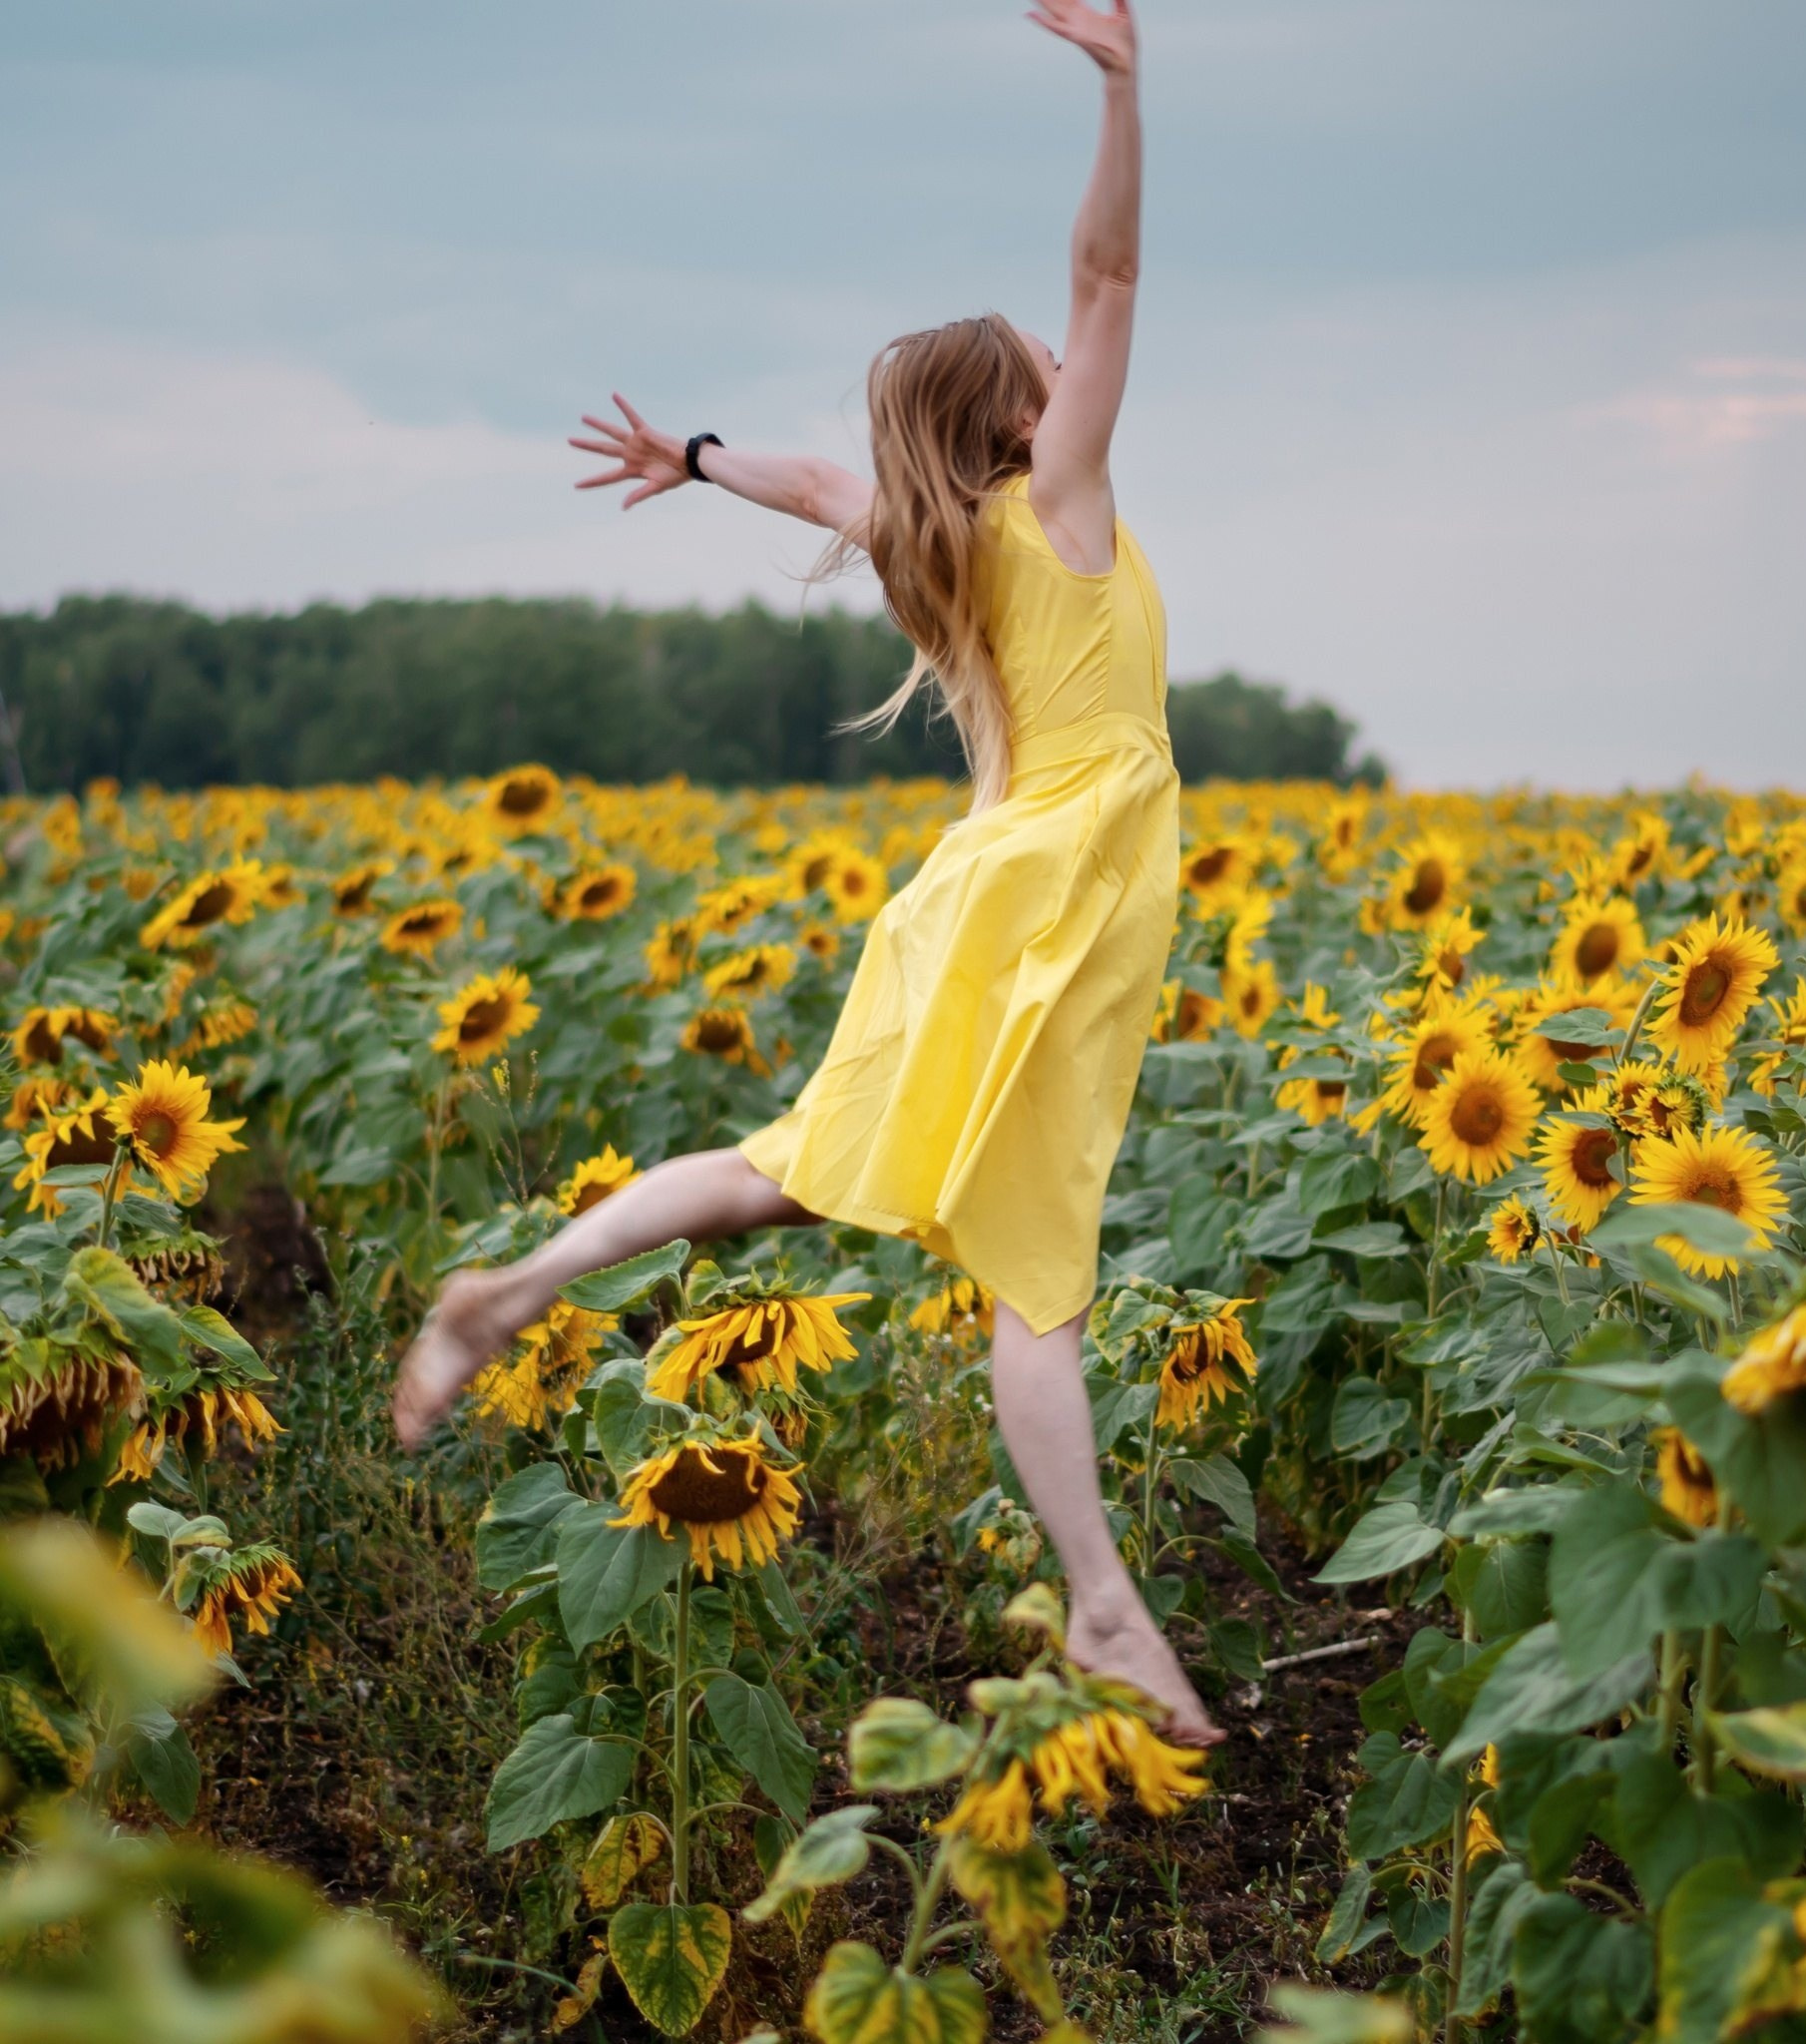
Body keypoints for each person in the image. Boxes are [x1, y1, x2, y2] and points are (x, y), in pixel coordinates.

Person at [391, 0, 1217, 1747]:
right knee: (1033, 1275)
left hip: (991, 898)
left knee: (785, 1177)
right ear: (1016, 416)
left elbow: (826, 477)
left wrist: (692, 460)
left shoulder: (938, 536)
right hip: (1048, 905)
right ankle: (1106, 1607)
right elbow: (1114, 280)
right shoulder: (1059, 501)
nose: (1073, 378)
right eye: (1042, 372)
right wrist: (1126, 92)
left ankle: (516, 1288)